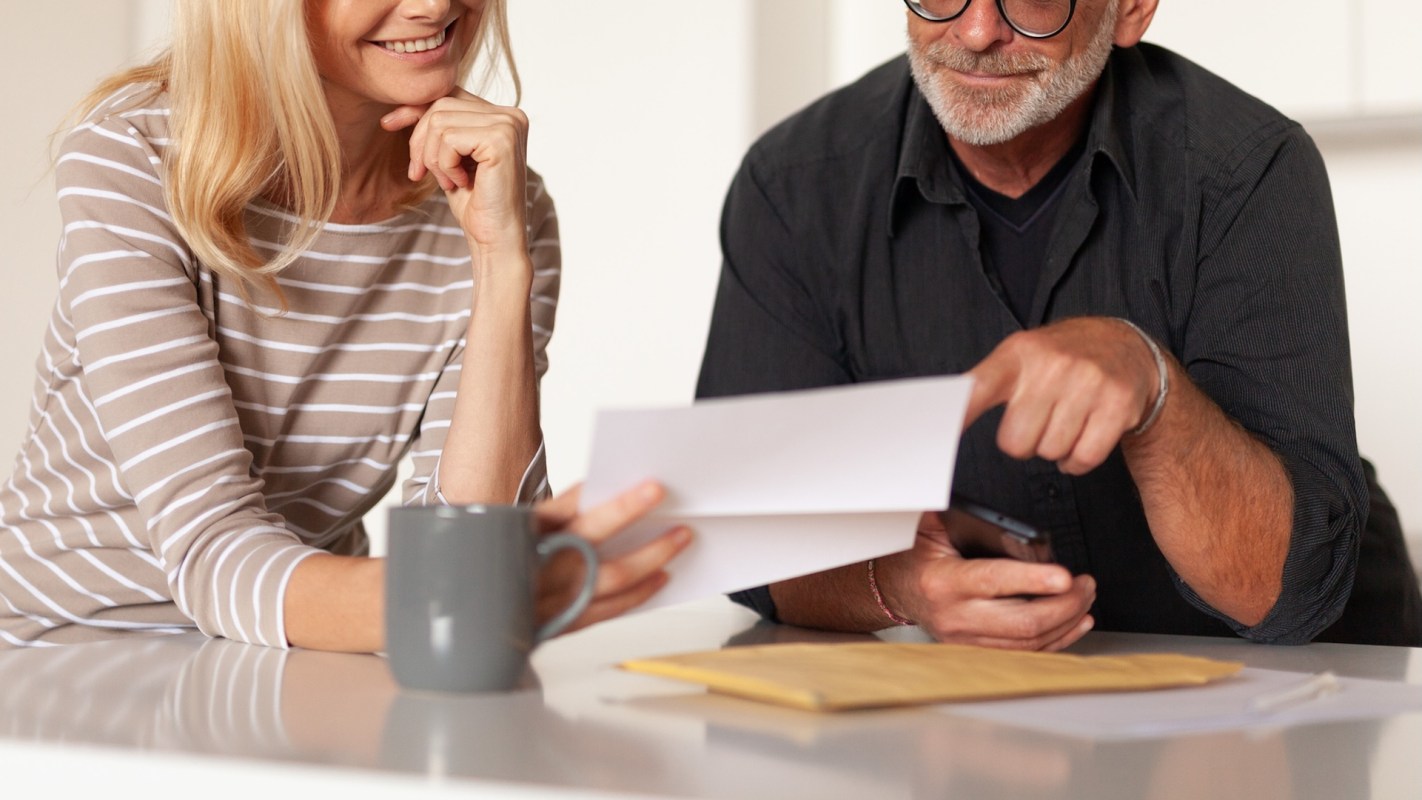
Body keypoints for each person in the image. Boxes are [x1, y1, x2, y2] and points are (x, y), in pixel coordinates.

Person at [697, 0, 1421, 648]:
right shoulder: (795, 186)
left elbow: (1280, 591)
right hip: (1013, 716)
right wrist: (902, 587)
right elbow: (744, 535)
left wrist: (1153, 385)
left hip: (1313, 688)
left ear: (1131, 11)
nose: (977, 31)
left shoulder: (1245, 168)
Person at [0, 0, 691, 650]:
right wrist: (461, 594)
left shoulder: (497, 197)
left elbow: (472, 549)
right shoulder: (134, 155)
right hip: (65, 653)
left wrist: (500, 265)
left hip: (301, 655)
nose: (433, 6)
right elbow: (213, 553)